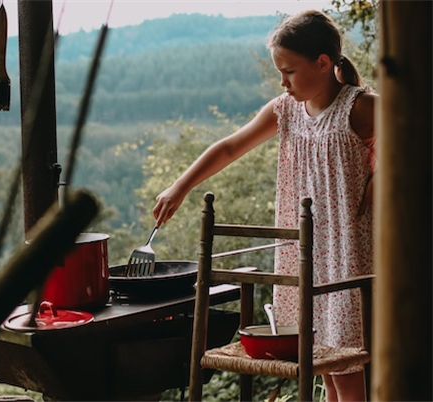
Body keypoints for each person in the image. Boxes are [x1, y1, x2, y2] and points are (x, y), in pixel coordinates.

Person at [153, 9, 376, 402]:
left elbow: (415, 134)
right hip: (302, 250)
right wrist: (180, 186)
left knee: (345, 362)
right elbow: (230, 146)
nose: (282, 81)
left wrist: (380, 180)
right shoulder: (285, 111)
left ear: (323, 63)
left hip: (345, 252)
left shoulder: (359, 107)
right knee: (320, 359)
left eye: (289, 71)